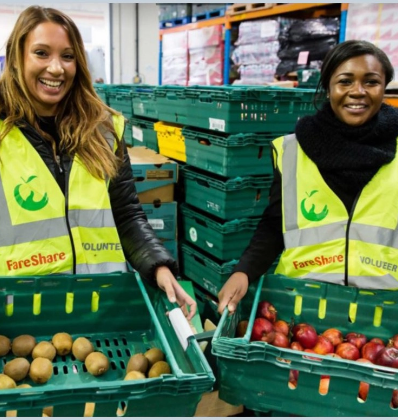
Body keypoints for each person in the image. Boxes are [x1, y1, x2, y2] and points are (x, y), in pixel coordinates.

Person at [0, 6, 196, 319]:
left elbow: (126, 213)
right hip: (19, 319)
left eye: (67, 56)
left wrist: (158, 266)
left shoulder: (103, 130)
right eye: (41, 53)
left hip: (99, 311)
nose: (56, 68)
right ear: (16, 58)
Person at [218, 39, 398, 314]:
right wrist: (243, 271)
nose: (357, 92)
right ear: (328, 87)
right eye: (345, 81)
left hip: (382, 315)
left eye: (371, 82)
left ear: (384, 87)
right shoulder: (292, 150)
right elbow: (274, 224)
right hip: (300, 312)